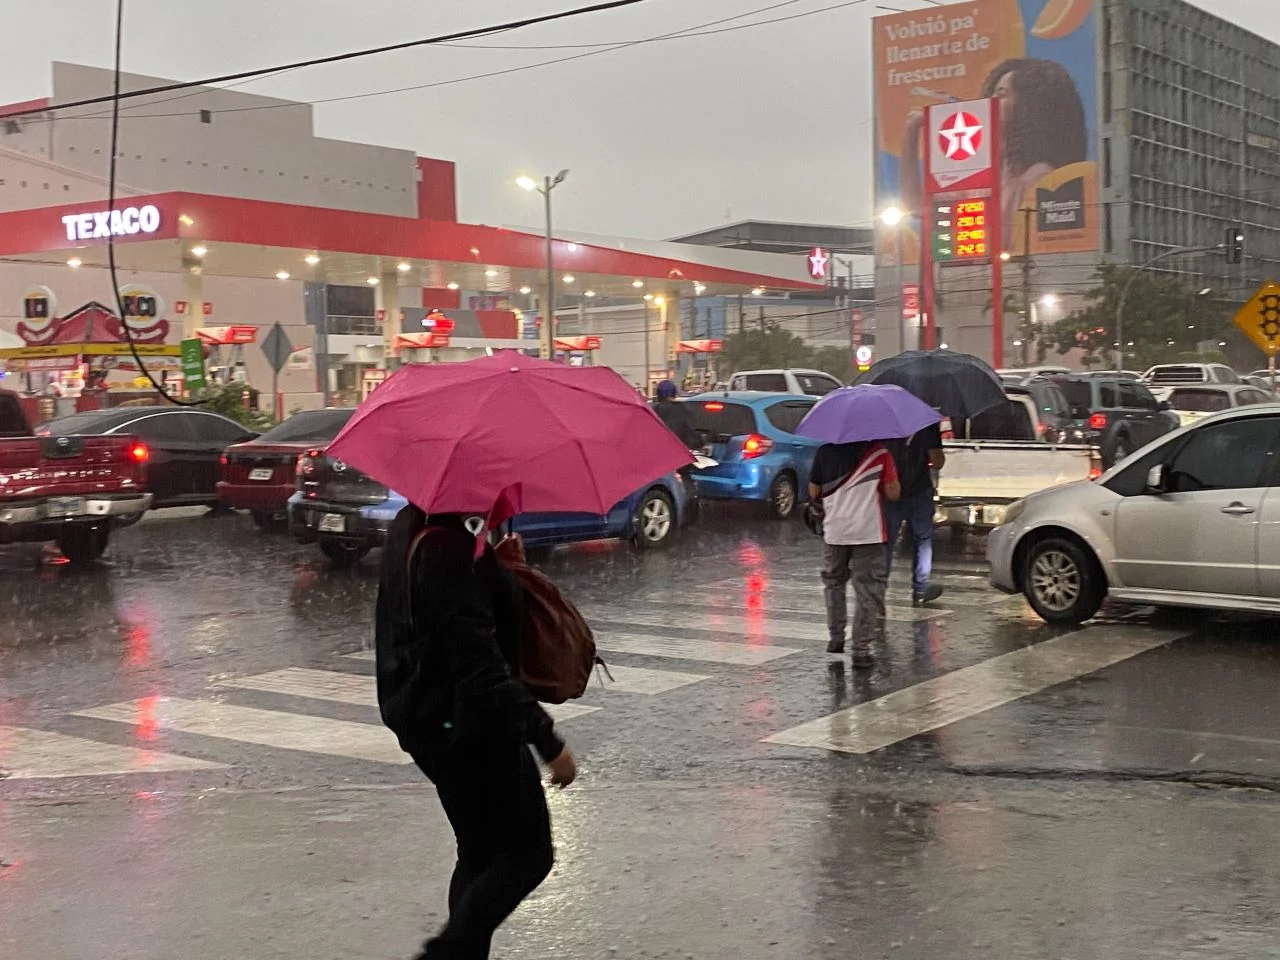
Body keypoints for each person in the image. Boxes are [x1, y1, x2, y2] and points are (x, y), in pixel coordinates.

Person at [376, 506, 576, 960]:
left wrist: (492, 565)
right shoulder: (449, 551)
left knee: (481, 853)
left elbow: (433, 624)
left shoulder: (414, 528)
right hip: (470, 727)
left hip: (426, 718)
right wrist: (548, 742)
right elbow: (478, 663)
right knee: (528, 854)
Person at [808, 440, 901, 669]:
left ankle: (836, 638)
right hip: (868, 532)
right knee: (867, 590)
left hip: (835, 531)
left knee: (833, 584)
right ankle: (861, 650)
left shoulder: (825, 451)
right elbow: (893, 493)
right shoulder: (880, 453)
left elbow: (813, 489)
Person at [885, 423, 946, 606]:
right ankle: (920, 589)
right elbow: (938, 461)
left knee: (886, 541)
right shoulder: (927, 422)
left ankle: (879, 589)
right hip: (919, 490)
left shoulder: (884, 419)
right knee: (923, 540)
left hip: (890, 488)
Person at [651, 378, 700, 449]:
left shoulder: (654, 410)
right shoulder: (685, 409)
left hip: (659, 451)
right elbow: (692, 434)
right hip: (681, 452)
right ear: (674, 392)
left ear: (658, 393)